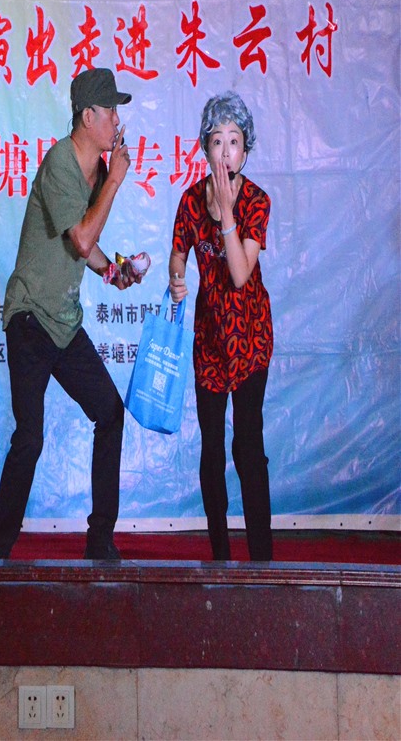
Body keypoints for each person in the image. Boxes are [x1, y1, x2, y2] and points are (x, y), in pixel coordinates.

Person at [0, 67, 142, 561]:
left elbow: (84, 249)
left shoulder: (95, 171)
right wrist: (116, 180)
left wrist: (115, 272)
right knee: (30, 438)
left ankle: (100, 541)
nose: (117, 120)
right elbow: (82, 237)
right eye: (110, 110)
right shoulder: (59, 162)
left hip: (64, 322)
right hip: (30, 318)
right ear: (88, 116)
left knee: (110, 413)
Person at [168, 91, 274, 561]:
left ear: (245, 150)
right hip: (210, 342)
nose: (226, 151)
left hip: (250, 339)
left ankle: (262, 558)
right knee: (211, 449)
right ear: (205, 147)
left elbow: (239, 273)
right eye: (217, 141)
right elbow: (177, 253)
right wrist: (176, 278)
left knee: (246, 445)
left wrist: (228, 212)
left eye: (234, 141)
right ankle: (221, 557)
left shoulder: (256, 202)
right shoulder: (191, 201)